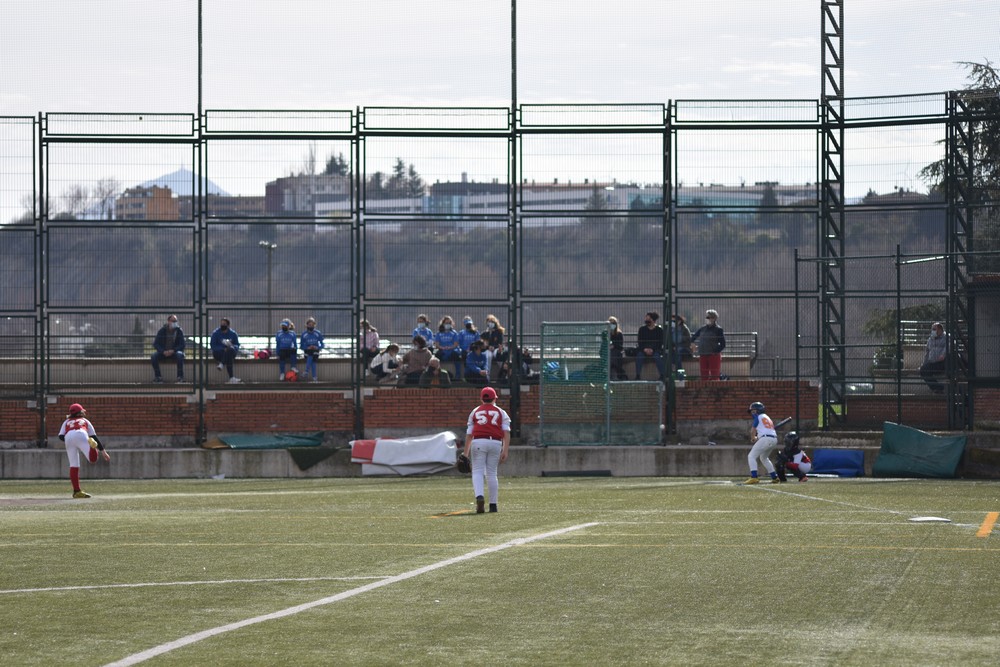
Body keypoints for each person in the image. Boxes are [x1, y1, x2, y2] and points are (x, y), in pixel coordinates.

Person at [462, 386, 511, 513]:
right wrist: (505, 449)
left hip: (478, 441)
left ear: (481, 399)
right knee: (492, 473)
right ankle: (493, 505)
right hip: (495, 442)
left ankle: (479, 496)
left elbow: (469, 434)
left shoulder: (475, 411)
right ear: (495, 398)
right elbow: (506, 432)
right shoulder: (501, 412)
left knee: (477, 471)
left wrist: (465, 453)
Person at [57, 403, 110, 499]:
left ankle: (76, 491)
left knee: (73, 465)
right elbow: (94, 436)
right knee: (92, 459)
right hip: (81, 433)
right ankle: (93, 447)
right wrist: (103, 452)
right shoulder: (85, 420)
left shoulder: (66, 421)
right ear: (80, 412)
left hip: (68, 436)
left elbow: (60, 436)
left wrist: (70, 439)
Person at [745, 401, 779, 484]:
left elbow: (752, 430)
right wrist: (758, 437)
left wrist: (753, 438)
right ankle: (774, 477)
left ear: (758, 410)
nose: (752, 413)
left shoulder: (758, 417)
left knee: (751, 456)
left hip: (766, 439)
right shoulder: (767, 417)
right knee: (763, 458)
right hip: (774, 439)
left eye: (753, 411)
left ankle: (754, 477)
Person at [691, 309, 726, 381]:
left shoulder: (718, 329)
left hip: (713, 356)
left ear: (714, 318)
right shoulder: (702, 328)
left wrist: (715, 351)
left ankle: (715, 388)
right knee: (704, 376)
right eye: (706, 317)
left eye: (708, 317)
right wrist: (692, 343)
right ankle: (705, 388)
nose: (707, 319)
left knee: (714, 376)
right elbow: (693, 337)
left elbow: (723, 344)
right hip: (703, 354)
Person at [151, 314, 185, 383]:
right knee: (154, 356)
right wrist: (163, 351)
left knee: (180, 355)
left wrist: (174, 350)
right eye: (173, 321)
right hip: (164, 353)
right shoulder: (162, 331)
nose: (175, 322)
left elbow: (182, 344)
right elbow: (156, 344)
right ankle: (158, 377)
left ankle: (180, 377)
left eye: (176, 321)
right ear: (168, 321)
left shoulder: (179, 331)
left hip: (174, 352)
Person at [634, 311, 665, 381]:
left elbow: (660, 343)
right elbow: (640, 341)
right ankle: (638, 375)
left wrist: (652, 349)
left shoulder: (659, 330)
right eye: (646, 318)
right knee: (639, 356)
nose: (646, 320)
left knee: (657, 357)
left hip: (655, 349)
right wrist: (645, 349)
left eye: (649, 319)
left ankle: (662, 375)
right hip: (643, 349)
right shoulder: (642, 329)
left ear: (653, 320)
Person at [210, 317, 241, 383]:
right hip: (219, 354)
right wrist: (223, 349)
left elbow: (237, 345)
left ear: (228, 325)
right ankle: (231, 378)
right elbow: (213, 346)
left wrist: (231, 346)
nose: (222, 325)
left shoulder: (233, 334)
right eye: (221, 324)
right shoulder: (215, 334)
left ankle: (222, 364)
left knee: (230, 351)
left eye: (224, 324)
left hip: (231, 352)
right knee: (229, 356)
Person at [920, 322, 947, 394]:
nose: (933, 331)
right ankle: (937, 388)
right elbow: (927, 352)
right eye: (932, 329)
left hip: (943, 362)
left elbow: (949, 346)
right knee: (923, 370)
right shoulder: (930, 339)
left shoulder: (946, 337)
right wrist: (924, 363)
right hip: (933, 362)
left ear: (940, 330)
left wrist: (943, 355)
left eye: (934, 329)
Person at [483, 314, 509, 381]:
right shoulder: (486, 333)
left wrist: (494, 347)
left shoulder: (499, 332)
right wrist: (488, 347)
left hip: (496, 349)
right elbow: (484, 343)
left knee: (499, 355)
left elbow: (500, 343)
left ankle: (505, 373)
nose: (490, 323)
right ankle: (487, 375)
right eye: (488, 322)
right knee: (488, 355)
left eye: (491, 321)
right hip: (488, 350)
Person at [299, 317, 324, 382]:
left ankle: (306, 372)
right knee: (311, 357)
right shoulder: (304, 334)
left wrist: (317, 347)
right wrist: (307, 347)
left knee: (313, 356)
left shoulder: (318, 333)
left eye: (312, 325)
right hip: (307, 351)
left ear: (314, 325)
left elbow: (322, 344)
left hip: (315, 351)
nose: (311, 326)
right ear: (307, 325)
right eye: (309, 325)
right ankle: (314, 377)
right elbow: (301, 346)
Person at [608, 316, 628, 380]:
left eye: (613, 323)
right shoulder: (607, 334)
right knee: (611, 356)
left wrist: (614, 345)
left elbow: (620, 346)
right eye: (610, 323)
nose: (612, 325)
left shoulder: (619, 334)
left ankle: (614, 376)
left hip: (617, 351)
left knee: (613, 357)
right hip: (608, 352)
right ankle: (620, 374)